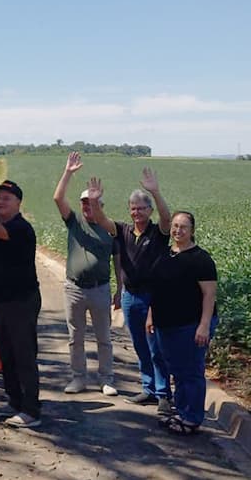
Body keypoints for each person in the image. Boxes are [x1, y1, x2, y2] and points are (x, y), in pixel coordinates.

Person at [0, 180, 42, 428]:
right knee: (7, 355)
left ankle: (31, 410)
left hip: (21, 301)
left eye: (6, 198)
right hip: (1, 300)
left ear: (18, 203)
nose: (0, 201)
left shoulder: (20, 228)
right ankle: (15, 402)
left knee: (23, 355)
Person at [52, 153, 119, 396]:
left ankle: (106, 379)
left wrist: (120, 290)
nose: (86, 206)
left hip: (100, 288)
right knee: (75, 337)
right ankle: (78, 378)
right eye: (84, 202)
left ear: (101, 203)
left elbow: (118, 260)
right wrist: (68, 172)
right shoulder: (75, 223)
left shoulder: (110, 228)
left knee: (104, 338)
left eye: (92, 202)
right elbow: (58, 198)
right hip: (74, 288)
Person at [146, 211, 218, 436]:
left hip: (191, 325)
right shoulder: (166, 255)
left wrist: (204, 325)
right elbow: (157, 290)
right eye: (175, 226)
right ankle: (182, 410)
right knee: (177, 370)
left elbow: (209, 295)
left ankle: (192, 418)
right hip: (166, 325)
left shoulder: (201, 259)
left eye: (183, 227)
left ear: (192, 230)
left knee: (191, 371)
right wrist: (151, 316)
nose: (178, 230)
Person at [116, 168, 173, 415]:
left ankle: (163, 394)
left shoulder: (158, 233)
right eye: (133, 208)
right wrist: (94, 201)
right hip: (130, 296)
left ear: (149, 210)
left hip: (153, 298)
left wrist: (155, 191)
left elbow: (168, 219)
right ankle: (148, 389)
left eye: (141, 208)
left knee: (156, 347)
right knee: (140, 345)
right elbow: (100, 219)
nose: (136, 212)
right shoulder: (125, 231)